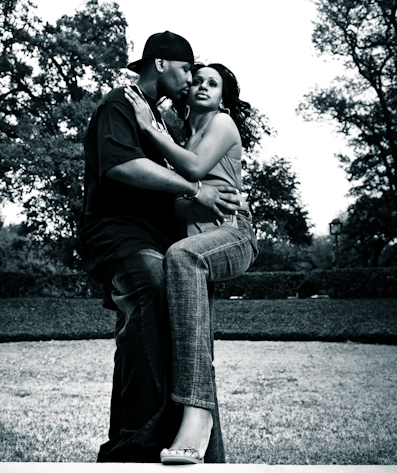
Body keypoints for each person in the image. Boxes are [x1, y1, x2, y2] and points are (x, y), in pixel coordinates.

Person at [79, 32, 240, 463]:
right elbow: (122, 166)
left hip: (158, 238)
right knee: (151, 284)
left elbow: (188, 170)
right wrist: (196, 190)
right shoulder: (122, 103)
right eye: (187, 70)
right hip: (120, 232)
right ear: (162, 64)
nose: (190, 80)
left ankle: (203, 451)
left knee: (186, 327)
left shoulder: (162, 120)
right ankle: (134, 444)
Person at [124, 63, 259, 464]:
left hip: (232, 234)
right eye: (197, 80)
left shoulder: (222, 124)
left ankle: (196, 416)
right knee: (197, 350)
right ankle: (207, 456)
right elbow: (177, 197)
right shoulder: (185, 140)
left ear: (222, 98)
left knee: (181, 256)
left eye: (212, 84)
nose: (202, 86)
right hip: (197, 250)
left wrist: (150, 129)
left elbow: (195, 170)